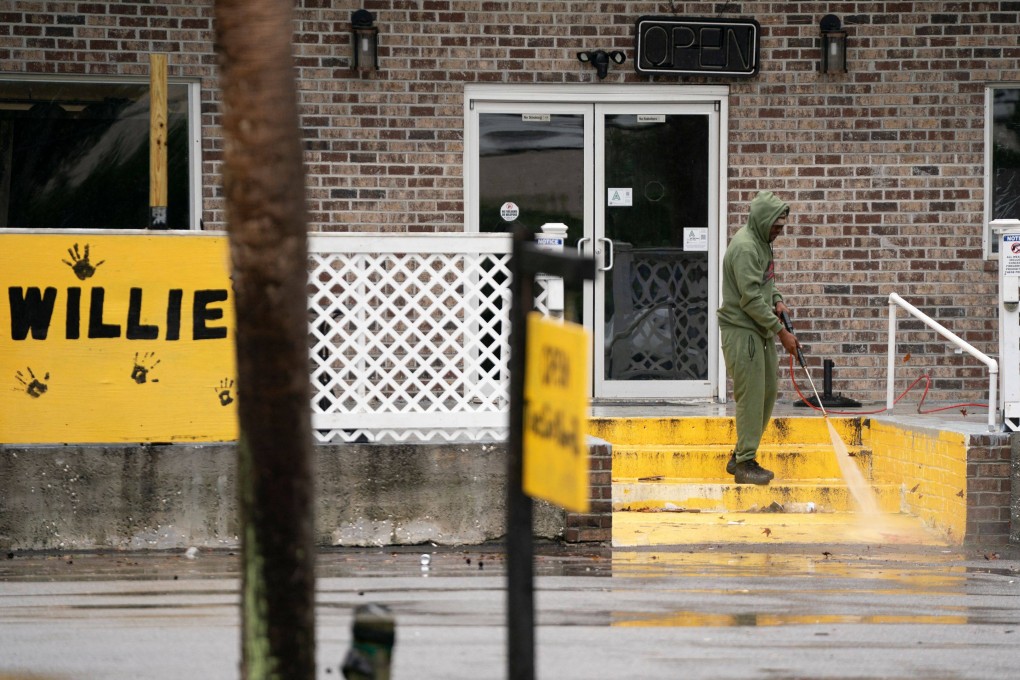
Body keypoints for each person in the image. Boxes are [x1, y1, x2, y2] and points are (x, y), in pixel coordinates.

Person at [717, 191, 800, 485]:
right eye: (776, 227)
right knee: (751, 397)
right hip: (742, 331)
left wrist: (777, 300)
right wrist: (782, 333)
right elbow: (750, 299)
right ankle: (745, 465)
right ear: (763, 221)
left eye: (781, 228)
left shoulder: (763, 243)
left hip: (759, 329)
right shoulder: (745, 248)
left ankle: (740, 454)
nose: (779, 233)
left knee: (766, 393)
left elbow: (765, 283)